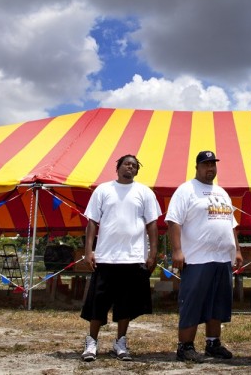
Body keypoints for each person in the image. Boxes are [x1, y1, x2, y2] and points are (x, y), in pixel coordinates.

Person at [80, 154, 161, 362]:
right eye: (126, 164)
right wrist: (89, 251)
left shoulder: (145, 192)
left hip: (133, 258)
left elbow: (152, 224)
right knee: (98, 302)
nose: (130, 168)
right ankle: (92, 342)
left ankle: (120, 342)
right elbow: (92, 223)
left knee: (126, 304)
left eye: (134, 166)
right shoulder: (103, 190)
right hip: (106, 257)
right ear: (117, 168)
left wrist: (152, 253)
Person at [165, 150, 243, 363]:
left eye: (213, 164)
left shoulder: (222, 192)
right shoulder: (186, 190)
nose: (210, 168)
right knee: (193, 302)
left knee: (218, 302)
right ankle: (185, 346)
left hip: (222, 258)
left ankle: (213, 343)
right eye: (206, 164)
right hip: (197, 258)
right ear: (197, 167)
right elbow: (174, 221)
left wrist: (236, 249)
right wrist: (177, 250)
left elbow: (232, 223)